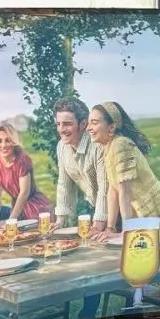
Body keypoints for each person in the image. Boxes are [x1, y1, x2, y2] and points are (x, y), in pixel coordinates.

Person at [89, 102, 160, 234]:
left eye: (94, 123)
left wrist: (127, 231)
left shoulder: (121, 144)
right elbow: (114, 190)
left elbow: (125, 191)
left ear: (112, 127)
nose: (88, 128)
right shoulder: (108, 147)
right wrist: (110, 228)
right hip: (144, 210)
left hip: (159, 206)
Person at [54, 95, 108, 230]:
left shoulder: (98, 145)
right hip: (100, 209)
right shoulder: (61, 146)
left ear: (83, 124)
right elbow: (64, 186)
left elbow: (105, 187)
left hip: (126, 209)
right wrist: (60, 222)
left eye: (67, 124)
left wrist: (98, 224)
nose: (61, 129)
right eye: (58, 124)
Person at [0, 121, 52, 224]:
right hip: (16, 208)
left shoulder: (22, 159)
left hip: (35, 208)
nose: (3, 145)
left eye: (7, 140)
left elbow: (24, 193)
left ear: (13, 141)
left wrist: (10, 221)